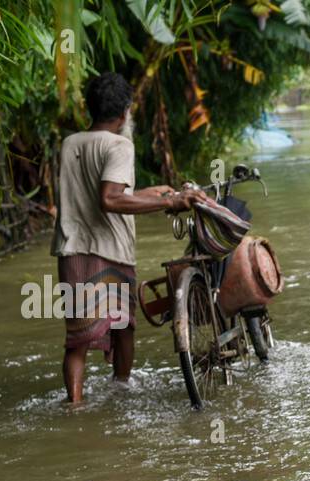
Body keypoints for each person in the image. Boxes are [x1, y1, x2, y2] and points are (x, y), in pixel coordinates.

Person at [51, 72, 203, 404]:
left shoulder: (70, 144)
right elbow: (110, 199)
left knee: (76, 340)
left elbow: (103, 192)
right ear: (124, 112)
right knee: (124, 329)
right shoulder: (120, 145)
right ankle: (120, 390)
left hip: (73, 250)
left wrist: (152, 192)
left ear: (91, 109)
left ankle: (73, 406)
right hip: (112, 252)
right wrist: (170, 201)